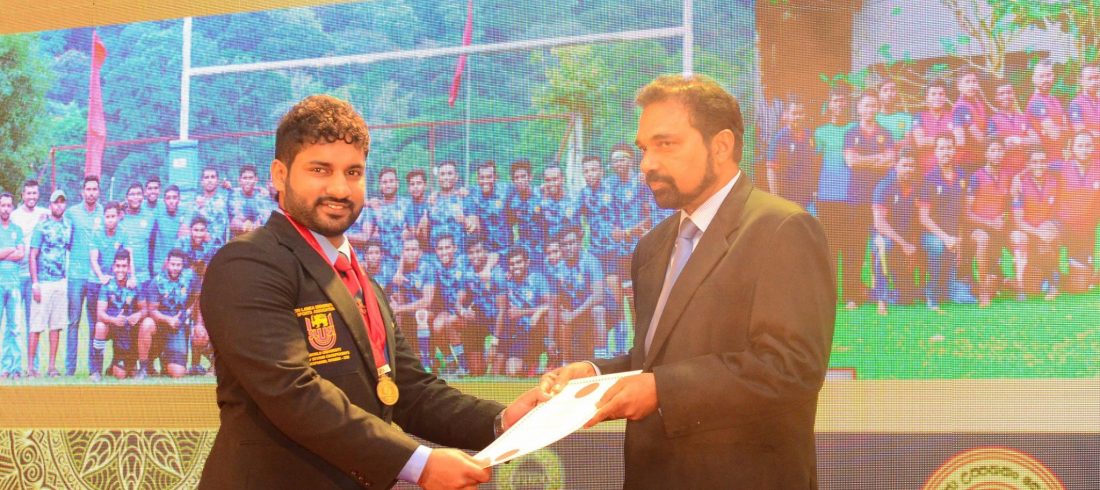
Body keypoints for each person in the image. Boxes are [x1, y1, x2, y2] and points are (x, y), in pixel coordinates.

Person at [199, 95, 539, 489]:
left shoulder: (361, 281)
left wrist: (501, 422)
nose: (339, 188)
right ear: (279, 174)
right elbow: (291, 392)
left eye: (353, 172)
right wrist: (419, 464)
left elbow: (408, 390)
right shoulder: (249, 262)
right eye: (319, 170)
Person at [538, 75, 835, 488]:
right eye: (644, 148)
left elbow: (791, 368)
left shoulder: (782, 229)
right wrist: (593, 373)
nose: (646, 164)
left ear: (721, 146)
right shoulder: (652, 246)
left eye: (665, 144)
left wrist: (661, 389)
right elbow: (657, 361)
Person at [918, 135, 969, 312]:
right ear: (935, 152)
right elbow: (923, 218)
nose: (946, 152)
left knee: (965, 299)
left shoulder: (961, 175)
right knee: (937, 245)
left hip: (954, 236)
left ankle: (951, 289)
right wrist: (946, 238)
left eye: (949, 148)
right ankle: (931, 296)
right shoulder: (928, 178)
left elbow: (960, 214)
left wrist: (959, 240)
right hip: (932, 235)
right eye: (941, 148)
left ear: (955, 150)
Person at [871, 149, 922, 315]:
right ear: (896, 166)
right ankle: (881, 299)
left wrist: (913, 248)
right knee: (884, 246)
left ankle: (874, 293)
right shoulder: (884, 186)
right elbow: (879, 223)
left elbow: (916, 222)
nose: (908, 169)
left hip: (905, 240)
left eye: (911, 166)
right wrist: (904, 244)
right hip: (886, 237)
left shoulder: (917, 188)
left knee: (907, 299)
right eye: (904, 165)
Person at [29, 190, 73, 378]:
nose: (59, 205)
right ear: (50, 205)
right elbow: (32, 255)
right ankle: (31, 368)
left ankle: (52, 366)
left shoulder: (68, 226)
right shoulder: (41, 226)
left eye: (62, 202)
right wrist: (35, 283)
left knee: (56, 326)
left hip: (60, 282)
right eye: (56, 202)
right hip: (43, 282)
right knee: (36, 326)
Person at [1010, 146, 1061, 299]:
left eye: (1042, 161)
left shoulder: (1054, 182)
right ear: (1028, 164)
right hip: (1026, 231)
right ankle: (1020, 288)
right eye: (1035, 162)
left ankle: (1053, 282)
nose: (1039, 165)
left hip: (1044, 231)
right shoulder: (1020, 184)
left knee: (1050, 233)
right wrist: (1039, 232)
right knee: (1019, 238)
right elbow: (1018, 222)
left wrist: (1049, 229)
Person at [1052, 130, 1100, 292]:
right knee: (1034, 284)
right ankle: (1049, 270)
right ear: (1072, 148)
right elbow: (1034, 168)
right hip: (1062, 227)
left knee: (1079, 287)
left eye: (1088, 146)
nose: (1084, 150)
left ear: (1093, 147)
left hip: (1085, 232)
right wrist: (1017, 178)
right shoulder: (1059, 167)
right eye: (1080, 146)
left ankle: (1083, 273)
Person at [966, 139, 1012, 307]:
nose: (997, 154)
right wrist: (990, 223)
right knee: (983, 238)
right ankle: (983, 290)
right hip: (977, 229)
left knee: (1018, 238)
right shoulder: (976, 177)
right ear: (986, 154)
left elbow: (1007, 206)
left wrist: (1003, 217)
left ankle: (1014, 280)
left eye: (1000, 150)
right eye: (993, 150)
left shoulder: (1006, 176)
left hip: (998, 229)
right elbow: (966, 213)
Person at [64, 175, 102, 376]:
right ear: (82, 191)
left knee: (95, 323)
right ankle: (70, 368)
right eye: (88, 189)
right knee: (73, 322)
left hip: (95, 277)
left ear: (99, 192)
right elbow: (67, 241)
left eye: (94, 189)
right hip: (76, 275)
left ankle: (94, 368)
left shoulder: (104, 213)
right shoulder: (72, 213)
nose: (91, 193)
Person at [140, 248, 198, 378]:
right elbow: (152, 311)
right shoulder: (157, 281)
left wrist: (188, 311)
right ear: (167, 263)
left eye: (178, 265)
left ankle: (166, 358)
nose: (175, 268)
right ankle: (144, 367)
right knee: (147, 323)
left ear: (183, 265)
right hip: (160, 326)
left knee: (178, 373)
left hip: (177, 327)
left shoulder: (190, 277)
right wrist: (168, 319)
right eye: (173, 264)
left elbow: (197, 296)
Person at [90, 249, 143, 380]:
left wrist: (138, 315)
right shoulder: (107, 285)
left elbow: (145, 309)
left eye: (124, 266)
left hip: (128, 331)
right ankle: (96, 370)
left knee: (122, 375)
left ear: (129, 268)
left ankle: (131, 364)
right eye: (118, 266)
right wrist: (113, 320)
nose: (120, 270)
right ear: (113, 267)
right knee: (100, 326)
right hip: (113, 327)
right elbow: (100, 314)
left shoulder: (135, 285)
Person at [766, 94, 818, 211]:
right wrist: (775, 198)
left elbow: (814, 165)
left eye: (801, 113)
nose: (798, 117)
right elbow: (771, 170)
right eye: (794, 113)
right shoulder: (779, 139)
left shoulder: (810, 135)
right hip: (787, 199)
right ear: (787, 115)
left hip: (808, 199)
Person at [0, 193, 26, 378]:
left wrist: (4, 253)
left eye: (9, 205)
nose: (5, 209)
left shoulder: (17, 229)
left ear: (12, 207)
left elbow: (21, 254)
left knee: (14, 328)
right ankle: (3, 367)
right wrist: (11, 249)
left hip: (14, 285)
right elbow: (15, 252)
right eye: (3, 205)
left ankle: (14, 367)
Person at [1027, 59, 1069, 161]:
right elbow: (1055, 135)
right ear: (1033, 79)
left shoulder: (1055, 100)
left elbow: (1066, 128)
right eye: (1041, 76)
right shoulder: (1036, 102)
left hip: (1060, 158)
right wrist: (1063, 130)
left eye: (1048, 75)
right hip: (1045, 162)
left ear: (1053, 76)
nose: (1045, 79)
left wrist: (1059, 129)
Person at [912, 79, 955, 175]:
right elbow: (920, 142)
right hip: (926, 172)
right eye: (933, 94)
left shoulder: (953, 116)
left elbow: (958, 141)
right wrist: (946, 142)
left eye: (941, 94)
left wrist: (929, 140)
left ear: (945, 97)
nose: (937, 97)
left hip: (949, 171)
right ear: (927, 98)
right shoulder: (919, 116)